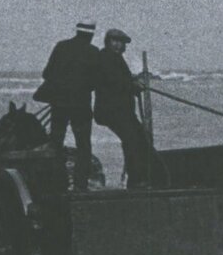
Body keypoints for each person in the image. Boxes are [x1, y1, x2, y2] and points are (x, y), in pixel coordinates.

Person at [35, 21, 98, 191]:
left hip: (59, 104)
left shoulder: (61, 47)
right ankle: (81, 185)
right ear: (91, 34)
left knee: (56, 143)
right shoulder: (93, 52)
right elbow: (96, 82)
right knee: (84, 145)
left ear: (77, 31)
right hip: (81, 106)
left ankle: (57, 183)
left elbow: (46, 73)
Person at [93, 27, 156, 187]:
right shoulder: (106, 57)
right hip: (113, 111)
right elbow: (115, 81)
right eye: (116, 42)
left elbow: (121, 79)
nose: (120, 46)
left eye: (122, 43)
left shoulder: (114, 58)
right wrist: (133, 86)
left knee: (137, 138)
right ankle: (136, 181)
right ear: (108, 42)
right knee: (134, 140)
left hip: (121, 111)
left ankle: (136, 179)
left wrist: (133, 81)